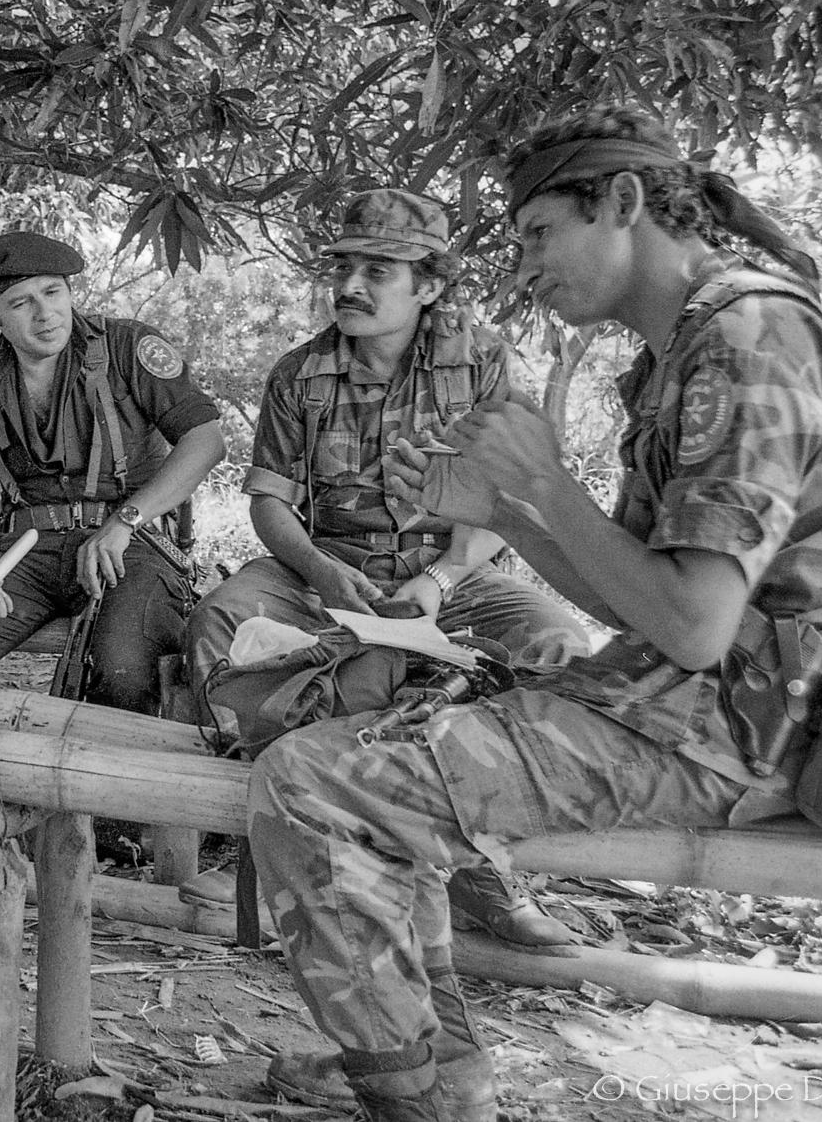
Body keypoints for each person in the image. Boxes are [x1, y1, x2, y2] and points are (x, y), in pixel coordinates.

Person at [247, 105, 822, 1121]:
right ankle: (435, 1073)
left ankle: (411, 1093)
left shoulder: (746, 336)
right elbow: (637, 597)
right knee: (369, 752)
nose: (520, 266)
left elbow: (693, 628)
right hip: (700, 696)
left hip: (747, 726)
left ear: (624, 203)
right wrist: (503, 506)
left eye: (535, 234)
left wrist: (543, 488)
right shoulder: (685, 347)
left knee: (312, 781)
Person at [182, 189, 589, 948]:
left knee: (553, 642)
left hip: (452, 574)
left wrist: (437, 583)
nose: (350, 286)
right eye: (344, 266)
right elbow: (271, 505)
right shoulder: (300, 374)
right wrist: (321, 571)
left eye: (378, 270)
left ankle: (485, 867)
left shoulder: (485, 365)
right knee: (221, 620)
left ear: (430, 285)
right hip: (326, 572)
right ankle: (263, 843)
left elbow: (506, 505)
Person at [0, 231, 225, 716]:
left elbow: (206, 440)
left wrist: (124, 523)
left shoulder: (126, 347)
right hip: (27, 553)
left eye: (53, 293)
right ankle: (14, 750)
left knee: (123, 674)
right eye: (21, 303)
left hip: (129, 545)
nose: (45, 314)